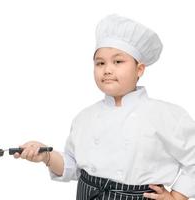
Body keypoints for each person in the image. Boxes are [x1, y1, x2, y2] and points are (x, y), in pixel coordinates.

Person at [13, 14, 195, 200]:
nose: (107, 69)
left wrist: (177, 196)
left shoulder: (165, 115)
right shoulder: (85, 117)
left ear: (139, 69)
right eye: (100, 63)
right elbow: (73, 166)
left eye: (118, 61)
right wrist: (46, 156)